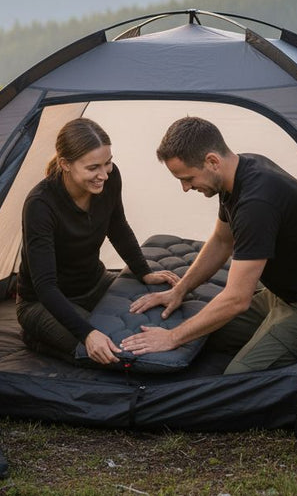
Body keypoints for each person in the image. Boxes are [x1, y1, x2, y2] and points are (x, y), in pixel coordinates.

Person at [123, 116, 297, 374]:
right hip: (280, 294)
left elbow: (237, 299)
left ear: (213, 161)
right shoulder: (237, 172)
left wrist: (171, 338)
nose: (184, 188)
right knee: (205, 336)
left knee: (236, 378)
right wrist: (179, 291)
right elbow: (221, 241)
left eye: (188, 178)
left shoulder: (257, 203)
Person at [17, 117, 179, 365]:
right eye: (93, 168)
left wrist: (144, 272)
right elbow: (45, 287)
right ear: (65, 164)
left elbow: (118, 227)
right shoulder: (40, 205)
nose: (103, 175)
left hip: (94, 284)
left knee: (155, 313)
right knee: (108, 351)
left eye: (108, 163)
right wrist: (88, 334)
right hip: (43, 302)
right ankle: (36, 338)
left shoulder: (110, 180)